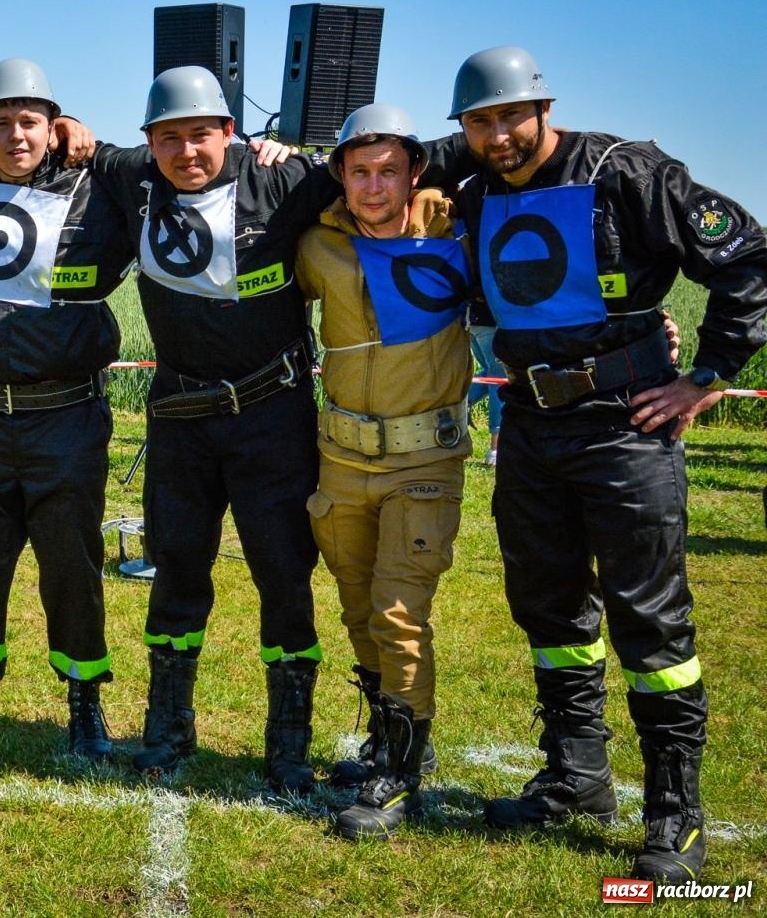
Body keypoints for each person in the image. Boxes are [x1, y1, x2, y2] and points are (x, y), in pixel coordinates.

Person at [453, 46, 766, 882]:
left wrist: (708, 378)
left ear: (543, 108)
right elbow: (386, 160)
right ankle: (576, 777)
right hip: (529, 427)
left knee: (651, 623)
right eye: (480, 123)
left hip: (625, 429)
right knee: (550, 610)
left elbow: (745, 258)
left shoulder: (627, 172)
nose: (499, 136)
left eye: (511, 116)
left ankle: (676, 818)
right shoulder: (474, 189)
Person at [87, 67, 328, 790]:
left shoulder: (281, 179)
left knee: (284, 576)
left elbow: (389, 172)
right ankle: (168, 726)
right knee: (177, 570)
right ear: (149, 142)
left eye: (201, 134)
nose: (186, 150)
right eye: (169, 137)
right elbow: (67, 143)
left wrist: (304, 154)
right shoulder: (133, 177)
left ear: (231, 132)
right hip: (181, 420)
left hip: (273, 417)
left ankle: (288, 741)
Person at [0, 59, 132, 759]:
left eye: (31, 121)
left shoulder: (97, 192)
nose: (16, 134)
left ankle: (84, 706)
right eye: (0, 122)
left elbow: (176, 173)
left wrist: (89, 140)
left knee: (72, 568)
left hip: (66, 418)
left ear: (54, 124)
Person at [295, 104, 469, 838]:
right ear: (341, 174)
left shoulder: (458, 233)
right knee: (359, 608)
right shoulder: (316, 247)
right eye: (360, 171)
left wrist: (647, 326)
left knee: (400, 615)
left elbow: (546, 276)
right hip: (341, 460)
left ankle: (398, 776)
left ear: (414, 172)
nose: (374, 185)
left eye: (389, 170)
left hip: (423, 462)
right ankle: (388, 742)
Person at [467, 302, 503, 465]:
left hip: (472, 320)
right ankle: (496, 449)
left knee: (491, 375)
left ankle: (452, 408)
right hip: (490, 320)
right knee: (499, 379)